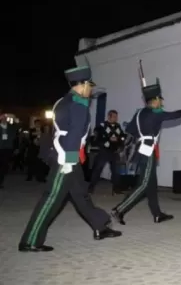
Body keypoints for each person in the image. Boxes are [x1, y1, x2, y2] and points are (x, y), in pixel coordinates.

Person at [18, 65, 122, 253]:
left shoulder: (63, 101)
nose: (90, 90)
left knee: (81, 194)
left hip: (64, 153)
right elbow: (74, 135)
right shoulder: (79, 105)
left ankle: (100, 227)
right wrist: (69, 160)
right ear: (81, 85)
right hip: (66, 157)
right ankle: (31, 240)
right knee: (51, 198)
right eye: (89, 86)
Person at [111, 78, 181, 225]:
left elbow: (130, 129)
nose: (162, 102)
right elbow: (172, 115)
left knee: (151, 185)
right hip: (148, 151)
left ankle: (157, 214)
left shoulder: (139, 113)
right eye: (160, 99)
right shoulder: (156, 113)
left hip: (142, 149)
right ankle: (119, 209)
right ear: (155, 100)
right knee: (143, 184)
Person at [88, 110, 126, 194]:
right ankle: (91, 187)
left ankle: (116, 188)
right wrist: (108, 139)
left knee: (116, 171)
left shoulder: (118, 126)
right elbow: (97, 138)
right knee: (98, 169)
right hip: (104, 152)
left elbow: (122, 137)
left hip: (114, 152)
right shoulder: (101, 126)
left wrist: (120, 142)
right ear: (109, 116)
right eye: (114, 116)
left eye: (116, 117)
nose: (116, 118)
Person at [0, 113, 18, 189]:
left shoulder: (11, 128)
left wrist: (12, 116)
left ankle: (0, 182)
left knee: (4, 166)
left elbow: (17, 124)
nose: (4, 119)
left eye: (5, 118)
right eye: (3, 118)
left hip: (7, 148)